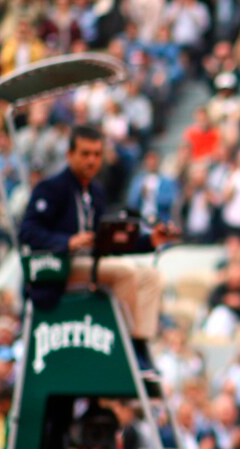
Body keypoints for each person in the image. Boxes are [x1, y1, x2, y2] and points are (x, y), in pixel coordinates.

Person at [18, 125, 177, 365]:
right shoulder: (51, 188)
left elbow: (106, 241)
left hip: (91, 263)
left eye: (97, 154)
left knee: (151, 276)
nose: (92, 160)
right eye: (85, 154)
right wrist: (67, 242)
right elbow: (28, 231)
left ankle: (139, 343)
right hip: (59, 267)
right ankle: (122, 346)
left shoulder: (96, 191)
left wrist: (149, 241)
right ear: (69, 155)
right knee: (125, 272)